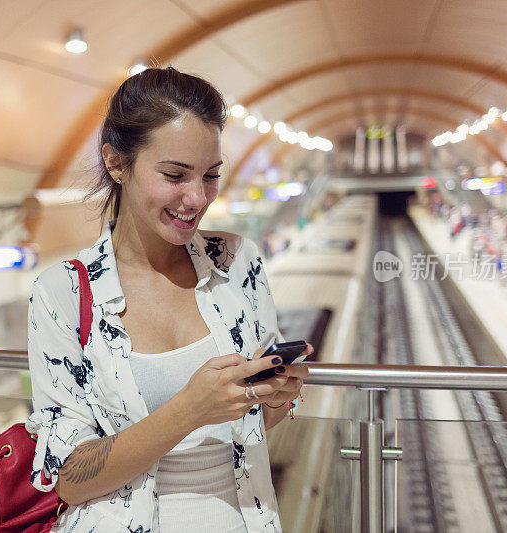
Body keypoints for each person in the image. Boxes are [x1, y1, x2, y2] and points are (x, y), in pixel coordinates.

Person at [25, 67, 310, 533]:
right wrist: (189, 409)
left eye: (211, 176)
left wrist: (276, 396)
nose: (197, 198)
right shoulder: (63, 293)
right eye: (175, 175)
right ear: (117, 163)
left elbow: (255, 422)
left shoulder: (237, 263)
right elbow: (70, 478)